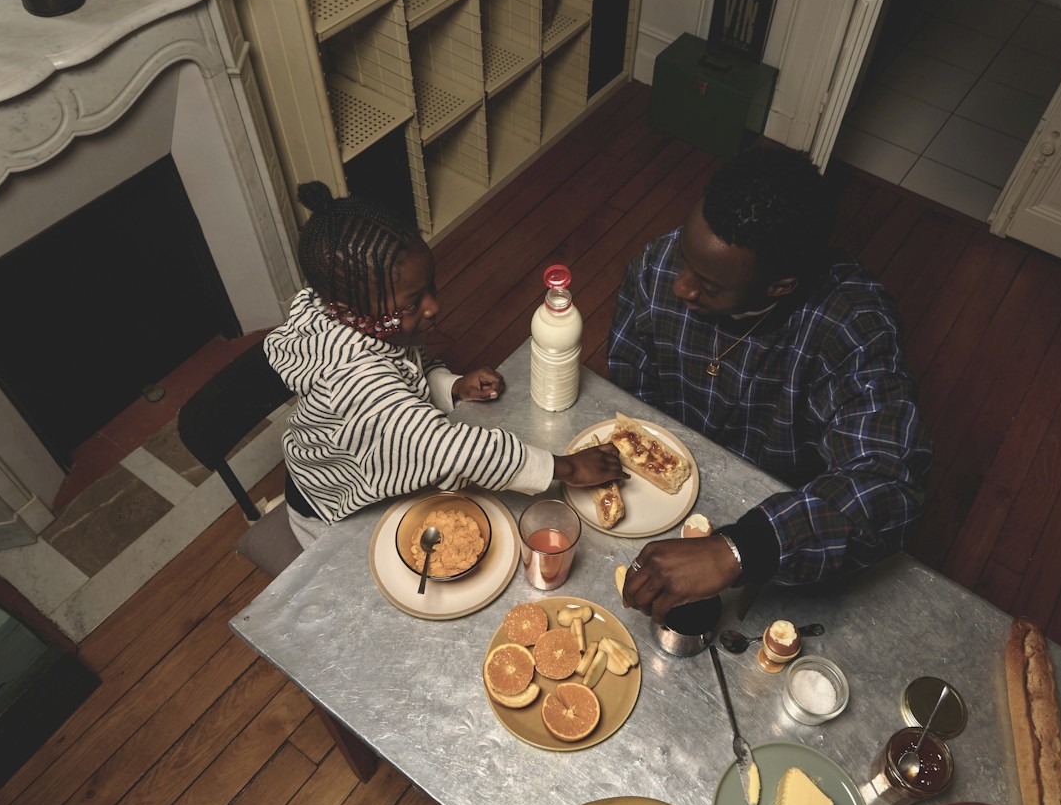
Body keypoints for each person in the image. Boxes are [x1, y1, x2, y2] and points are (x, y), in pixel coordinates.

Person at [608, 145, 932, 622]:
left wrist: (737, 551)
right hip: (659, 506)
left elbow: (888, 485)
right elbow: (628, 392)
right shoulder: (657, 266)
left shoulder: (852, 327)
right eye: (685, 257)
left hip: (781, 529)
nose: (680, 288)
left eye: (710, 286)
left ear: (780, 286)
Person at [266, 182, 624, 545]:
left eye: (431, 287)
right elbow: (449, 449)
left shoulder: (354, 318)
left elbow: (405, 369)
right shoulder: (358, 380)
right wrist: (566, 467)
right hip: (333, 508)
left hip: (361, 450)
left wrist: (449, 385)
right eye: (411, 304)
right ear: (347, 311)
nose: (433, 307)